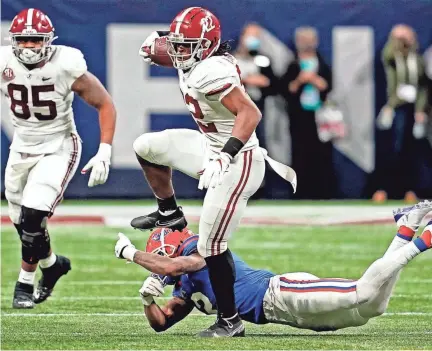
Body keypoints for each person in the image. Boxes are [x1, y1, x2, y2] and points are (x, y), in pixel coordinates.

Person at [131, 7, 295, 337]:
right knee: (146, 146)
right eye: (176, 43)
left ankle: (230, 321)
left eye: (185, 45)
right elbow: (169, 55)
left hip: (240, 159)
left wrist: (226, 156)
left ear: (205, 46)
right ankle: (170, 214)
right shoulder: (192, 56)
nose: (178, 51)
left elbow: (250, 113)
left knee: (211, 247)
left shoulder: (212, 71)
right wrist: (157, 48)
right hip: (210, 144)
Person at [115, 200, 431, 333]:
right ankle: (407, 227)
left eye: (154, 252)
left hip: (280, 293)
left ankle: (422, 241)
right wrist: (147, 300)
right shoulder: (185, 284)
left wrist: (130, 253)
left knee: (362, 292)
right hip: (286, 317)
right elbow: (162, 323)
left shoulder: (201, 248)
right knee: (372, 309)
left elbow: (172, 267)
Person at [1, 8, 117, 309]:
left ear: (48, 41)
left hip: (58, 145)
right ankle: (51, 265)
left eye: (35, 40)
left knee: (32, 216)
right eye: (23, 40)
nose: (28, 47)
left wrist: (104, 149)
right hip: (21, 146)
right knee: (22, 223)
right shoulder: (3, 62)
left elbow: (104, 104)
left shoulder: (65, 64)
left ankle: (24, 283)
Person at [374, 24, 429, 203]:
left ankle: (410, 189)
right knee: (389, 148)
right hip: (393, 107)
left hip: (411, 110)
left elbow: (422, 87)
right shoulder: (391, 57)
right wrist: (397, 37)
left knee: (411, 150)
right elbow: (388, 55)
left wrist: (421, 109)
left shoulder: (417, 60)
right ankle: (383, 188)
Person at [280, 27, 334, 199]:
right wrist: (300, 80)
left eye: (310, 39)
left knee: (321, 153)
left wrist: (316, 81)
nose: (307, 43)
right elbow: (285, 89)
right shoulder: (293, 64)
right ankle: (300, 192)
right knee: (299, 153)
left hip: (319, 115)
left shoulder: (322, 62)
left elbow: (329, 86)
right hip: (299, 116)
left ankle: (322, 192)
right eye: (303, 40)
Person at [234, 23, 279, 147]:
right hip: (234, 111)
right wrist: (247, 80)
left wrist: (264, 81)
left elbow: (273, 84)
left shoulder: (263, 60)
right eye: (251, 36)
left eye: (257, 36)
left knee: (257, 143)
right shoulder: (231, 59)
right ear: (242, 37)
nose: (253, 40)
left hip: (257, 108)